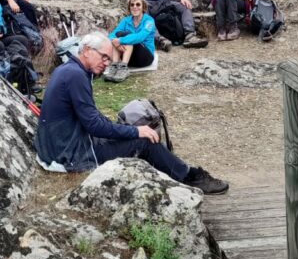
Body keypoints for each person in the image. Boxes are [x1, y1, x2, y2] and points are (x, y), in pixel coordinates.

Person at [34, 31, 229, 194]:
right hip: (71, 153)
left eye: (109, 59)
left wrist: (123, 129)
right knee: (143, 141)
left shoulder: (69, 70)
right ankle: (189, 177)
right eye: (104, 57)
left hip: (63, 145)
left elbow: (90, 116)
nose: (107, 63)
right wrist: (136, 131)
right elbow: (94, 125)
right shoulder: (75, 75)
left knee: (129, 132)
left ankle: (175, 169)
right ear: (86, 51)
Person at [104, 0, 157, 82]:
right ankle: (115, 66)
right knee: (119, 34)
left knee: (127, 36)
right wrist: (115, 42)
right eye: (132, 5)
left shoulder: (149, 20)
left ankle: (123, 68)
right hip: (130, 59)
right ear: (129, 7)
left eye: (138, 4)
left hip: (145, 58)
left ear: (143, 7)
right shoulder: (126, 20)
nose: (135, 7)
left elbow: (140, 37)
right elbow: (113, 34)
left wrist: (121, 41)